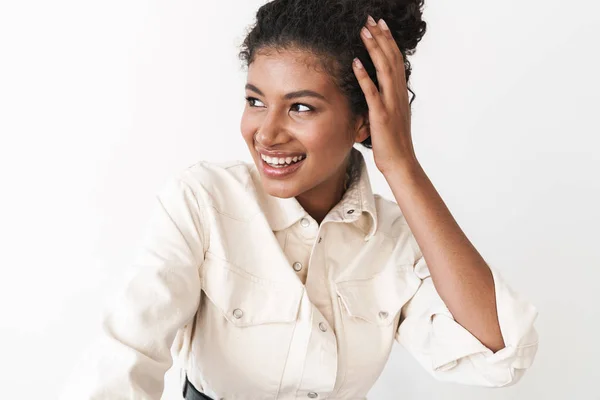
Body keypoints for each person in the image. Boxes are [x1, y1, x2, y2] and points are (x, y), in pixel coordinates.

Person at [60, 0, 539, 399]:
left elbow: (498, 355)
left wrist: (402, 166)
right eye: (255, 101)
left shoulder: (397, 239)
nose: (266, 133)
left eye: (301, 107)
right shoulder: (203, 200)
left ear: (364, 121)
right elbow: (125, 355)